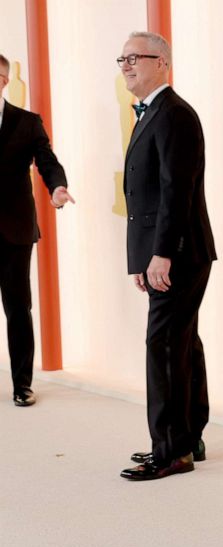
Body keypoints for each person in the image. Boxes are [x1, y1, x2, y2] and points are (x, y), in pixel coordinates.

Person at [116, 32, 216, 481]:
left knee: (165, 345)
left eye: (135, 57)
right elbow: (146, 195)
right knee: (182, 341)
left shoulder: (174, 113)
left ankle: (172, 451)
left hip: (179, 251)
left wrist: (161, 254)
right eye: (122, 59)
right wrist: (142, 257)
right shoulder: (151, 113)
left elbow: (178, 190)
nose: (126, 65)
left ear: (163, 64)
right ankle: (188, 435)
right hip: (165, 252)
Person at [0, 53, 74, 407]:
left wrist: (57, 187)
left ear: (4, 80)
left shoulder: (27, 122)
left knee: (18, 308)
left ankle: (22, 384)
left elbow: (47, 160)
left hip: (14, 230)